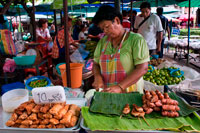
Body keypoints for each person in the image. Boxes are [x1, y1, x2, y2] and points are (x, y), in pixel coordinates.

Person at [92, 5, 149, 94]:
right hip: (108, 93)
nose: (105, 31)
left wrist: (120, 87)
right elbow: (95, 64)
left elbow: (142, 68)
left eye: (106, 27)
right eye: (102, 29)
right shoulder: (103, 42)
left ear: (117, 20)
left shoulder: (136, 40)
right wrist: (97, 77)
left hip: (131, 93)